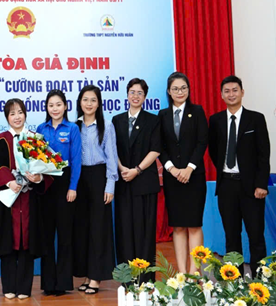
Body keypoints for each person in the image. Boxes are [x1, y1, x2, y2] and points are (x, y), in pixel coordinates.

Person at [208, 76, 271, 267]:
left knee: (256, 235)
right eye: (226, 91)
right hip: (226, 186)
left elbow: (264, 154)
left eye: (235, 90)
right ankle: (235, 280)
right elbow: (213, 151)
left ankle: (260, 279)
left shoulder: (256, 119)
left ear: (242, 92)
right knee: (231, 236)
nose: (231, 94)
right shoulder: (216, 120)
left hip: (252, 187)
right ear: (221, 95)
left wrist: (261, 184)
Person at [0, 99, 49, 300]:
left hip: (30, 197)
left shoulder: (35, 138)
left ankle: (24, 288)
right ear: (7, 117)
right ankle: (8, 286)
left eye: (20, 112)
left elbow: (46, 166)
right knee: (9, 239)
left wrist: (39, 177)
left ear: (25, 114)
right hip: (9, 197)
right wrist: (9, 182)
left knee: (27, 240)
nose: (17, 117)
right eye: (12, 113)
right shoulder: (1, 139)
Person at [158, 72, 207, 274]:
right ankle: (181, 273)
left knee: (194, 225)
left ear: (188, 90)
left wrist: (189, 168)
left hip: (194, 176)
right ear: (169, 92)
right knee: (177, 226)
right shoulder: (162, 115)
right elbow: (160, 146)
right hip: (173, 178)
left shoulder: (197, 111)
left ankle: (195, 273)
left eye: (183, 88)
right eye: (175, 89)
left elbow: (202, 141)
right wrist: (171, 168)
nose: (180, 92)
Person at [113, 79, 161, 283]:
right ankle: (126, 279)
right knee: (124, 230)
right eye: (132, 92)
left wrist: (137, 170)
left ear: (145, 96)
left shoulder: (153, 120)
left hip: (144, 183)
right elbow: (112, 149)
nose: (135, 96)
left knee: (144, 232)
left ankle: (145, 279)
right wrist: (122, 168)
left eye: (139, 93)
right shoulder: (117, 120)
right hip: (123, 181)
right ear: (127, 94)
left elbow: (156, 149)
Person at [73, 85, 118, 294]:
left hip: (100, 177)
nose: (89, 104)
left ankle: (96, 278)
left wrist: (110, 185)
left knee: (99, 229)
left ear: (98, 103)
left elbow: (111, 157)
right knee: (83, 229)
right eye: (85, 99)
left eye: (93, 100)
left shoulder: (106, 126)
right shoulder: (74, 126)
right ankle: (86, 275)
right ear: (79, 102)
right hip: (79, 178)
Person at [37, 90, 81, 296]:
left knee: (64, 236)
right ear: (47, 108)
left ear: (65, 106)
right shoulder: (41, 129)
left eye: (58, 104)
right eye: (51, 105)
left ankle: (63, 282)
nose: (54, 109)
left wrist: (73, 187)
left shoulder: (72, 129)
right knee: (46, 235)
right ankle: (48, 283)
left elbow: (76, 160)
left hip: (65, 184)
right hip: (45, 185)